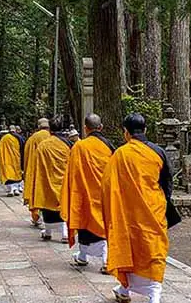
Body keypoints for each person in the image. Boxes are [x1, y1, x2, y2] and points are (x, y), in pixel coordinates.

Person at [101, 113, 174, 303]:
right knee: (154, 249)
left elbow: (108, 186)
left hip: (128, 213)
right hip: (153, 210)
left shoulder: (119, 155)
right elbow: (167, 183)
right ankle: (150, 292)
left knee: (129, 249)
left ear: (126, 133)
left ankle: (126, 288)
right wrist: (162, 204)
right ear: (145, 130)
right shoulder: (158, 152)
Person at [60, 113, 114, 272]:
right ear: (101, 127)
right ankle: (99, 258)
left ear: (85, 128)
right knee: (103, 225)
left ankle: (92, 257)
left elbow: (72, 174)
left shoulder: (79, 147)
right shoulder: (109, 146)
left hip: (85, 193)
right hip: (103, 195)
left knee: (84, 224)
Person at [27, 115, 72, 242]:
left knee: (47, 207)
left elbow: (38, 167)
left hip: (47, 181)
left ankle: (48, 232)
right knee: (63, 206)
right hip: (63, 182)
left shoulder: (43, 145)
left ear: (50, 130)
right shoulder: (68, 145)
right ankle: (65, 233)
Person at [23, 118, 51, 226]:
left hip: (35, 170)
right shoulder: (51, 137)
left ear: (38, 126)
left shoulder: (32, 138)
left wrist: (26, 172)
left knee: (36, 193)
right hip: (49, 170)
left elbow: (27, 156)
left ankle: (37, 217)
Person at [0, 125, 25, 197]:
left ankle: (11, 190)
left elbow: (0, 150)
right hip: (16, 159)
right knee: (16, 174)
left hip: (6, 160)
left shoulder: (4, 138)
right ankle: (15, 189)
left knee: (8, 174)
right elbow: (23, 148)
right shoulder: (19, 137)